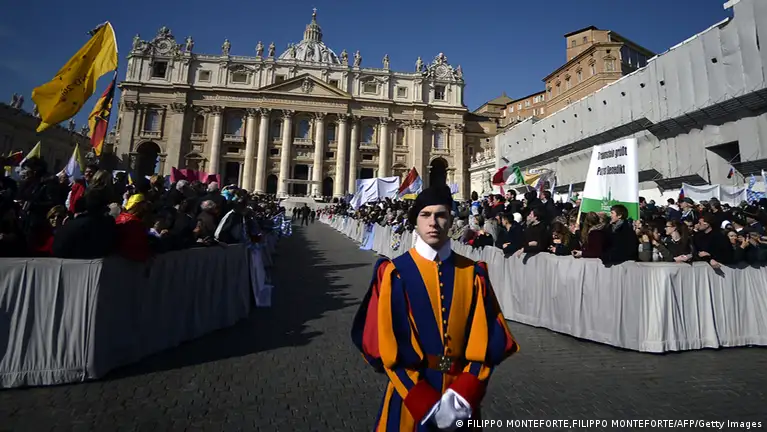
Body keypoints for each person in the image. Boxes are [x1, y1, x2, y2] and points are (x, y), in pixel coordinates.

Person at [351, 185, 519, 431]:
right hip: (410, 396)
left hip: (461, 396)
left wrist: (462, 395)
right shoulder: (394, 273)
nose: (433, 222)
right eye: (425, 215)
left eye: (441, 215)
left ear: (450, 220)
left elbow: (487, 340)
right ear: (416, 221)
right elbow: (385, 345)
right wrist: (423, 401)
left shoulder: (473, 273)